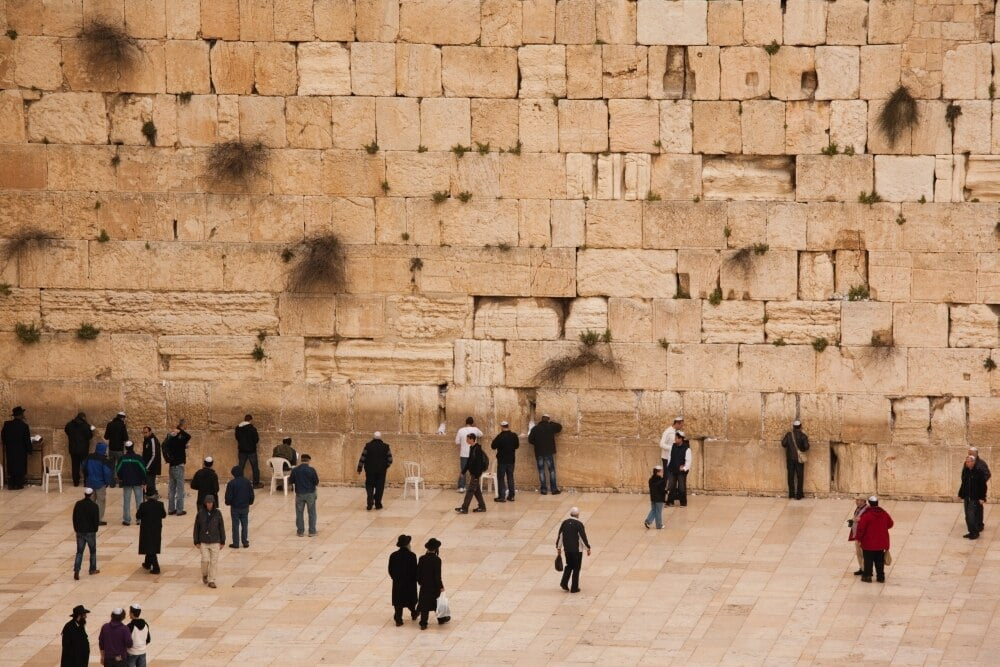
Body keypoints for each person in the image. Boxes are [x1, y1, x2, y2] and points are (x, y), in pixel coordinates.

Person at [855, 496, 894, 583]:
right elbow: (890, 524)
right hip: (881, 543)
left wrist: (858, 539)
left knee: (868, 560)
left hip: (868, 543)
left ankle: (867, 576)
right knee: (879, 561)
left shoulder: (866, 515)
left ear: (869, 503)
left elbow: (861, 529)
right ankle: (881, 577)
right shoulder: (884, 513)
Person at [193, 494, 225, 588]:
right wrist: (196, 541)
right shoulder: (200, 513)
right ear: (205, 503)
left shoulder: (218, 513)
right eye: (208, 503)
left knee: (214, 561)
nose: (209, 504)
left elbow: (221, 527)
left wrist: (222, 541)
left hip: (215, 540)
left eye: (211, 503)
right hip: (204, 541)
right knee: (205, 560)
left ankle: (211, 580)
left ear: (213, 503)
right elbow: (196, 528)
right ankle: (205, 574)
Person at [556, 507, 591, 593]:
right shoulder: (579, 524)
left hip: (567, 549)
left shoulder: (565, 523)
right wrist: (588, 548)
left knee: (569, 565)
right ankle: (574, 588)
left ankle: (564, 583)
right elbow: (582, 537)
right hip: (577, 551)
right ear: (578, 514)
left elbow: (560, 536)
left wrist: (559, 547)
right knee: (576, 568)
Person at [162, 420, 191, 516]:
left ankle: (171, 509)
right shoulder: (180, 435)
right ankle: (179, 510)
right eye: (186, 425)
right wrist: (180, 430)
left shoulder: (172, 436)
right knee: (180, 488)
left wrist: (184, 446)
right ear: (184, 425)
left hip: (172, 465)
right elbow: (188, 436)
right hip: (179, 465)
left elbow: (174, 446)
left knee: (172, 488)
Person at [388, 534, 418, 627]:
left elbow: (390, 569)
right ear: (408, 544)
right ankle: (414, 613)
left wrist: (395, 578)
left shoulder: (393, 555)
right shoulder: (412, 555)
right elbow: (415, 570)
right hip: (410, 583)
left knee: (398, 602)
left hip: (398, 583)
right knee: (411, 600)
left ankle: (398, 620)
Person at [357, 431, 392, 511]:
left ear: (373, 437)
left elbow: (363, 457)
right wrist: (385, 466)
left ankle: (370, 500)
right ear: (380, 437)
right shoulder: (386, 447)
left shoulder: (368, 446)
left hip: (370, 471)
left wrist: (359, 468)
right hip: (381, 472)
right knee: (380, 487)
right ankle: (378, 504)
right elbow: (390, 459)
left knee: (369, 485)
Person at [2, 406, 35, 489]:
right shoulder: (24, 426)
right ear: (20, 415)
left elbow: (3, 437)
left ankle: (11, 484)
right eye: (22, 414)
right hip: (21, 451)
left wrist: (7, 445)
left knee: (12, 466)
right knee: (20, 467)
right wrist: (30, 450)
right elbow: (27, 440)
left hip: (10, 450)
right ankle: (18, 484)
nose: (23, 415)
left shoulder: (7, 424)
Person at [455, 433, 489, 514]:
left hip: (476, 474)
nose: (466, 440)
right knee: (477, 492)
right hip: (474, 473)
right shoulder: (472, 448)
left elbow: (479, 464)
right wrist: (463, 472)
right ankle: (482, 507)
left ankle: (464, 508)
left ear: (472, 439)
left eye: (467, 439)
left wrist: (477, 476)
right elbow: (469, 462)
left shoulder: (477, 449)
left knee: (470, 491)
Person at [416, 538, 445, 630]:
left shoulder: (422, 559)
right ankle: (441, 619)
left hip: (424, 586)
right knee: (437, 603)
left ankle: (423, 623)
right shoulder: (437, 560)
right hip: (434, 586)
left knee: (424, 604)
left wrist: (420, 582)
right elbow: (437, 576)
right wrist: (440, 586)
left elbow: (418, 573)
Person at [529, 413, 562, 495]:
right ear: (548, 419)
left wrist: (537, 443)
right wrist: (551, 423)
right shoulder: (551, 426)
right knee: (552, 470)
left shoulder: (535, 428)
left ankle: (544, 489)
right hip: (548, 452)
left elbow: (530, 440)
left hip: (539, 452)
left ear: (541, 419)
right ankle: (554, 489)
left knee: (541, 471)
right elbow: (559, 427)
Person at [72, 488, 101, 580]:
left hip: (80, 531)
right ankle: (92, 569)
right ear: (92, 495)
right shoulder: (94, 506)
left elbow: (74, 518)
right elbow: (96, 520)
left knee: (79, 552)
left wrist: (76, 528)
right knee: (92, 551)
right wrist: (95, 529)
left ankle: (77, 570)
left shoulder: (78, 504)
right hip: (90, 532)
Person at [116, 442, 147, 526]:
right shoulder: (138, 458)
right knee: (139, 501)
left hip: (126, 482)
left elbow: (118, 470)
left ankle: (127, 520)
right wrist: (144, 481)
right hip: (137, 482)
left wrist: (121, 478)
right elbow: (143, 470)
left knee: (126, 501)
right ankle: (139, 519)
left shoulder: (122, 458)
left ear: (126, 448)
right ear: (133, 447)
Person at [83, 443, 114, 525]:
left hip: (90, 482)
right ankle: (98, 519)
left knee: (90, 501)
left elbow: (83, 467)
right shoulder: (104, 460)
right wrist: (107, 482)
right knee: (101, 502)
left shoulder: (89, 457)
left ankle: (89, 518)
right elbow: (107, 472)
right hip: (100, 483)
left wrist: (87, 477)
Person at [224, 465, 255, 548]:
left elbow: (228, 496)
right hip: (245, 507)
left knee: (235, 525)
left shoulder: (231, 483)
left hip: (235, 508)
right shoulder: (247, 482)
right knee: (245, 525)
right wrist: (250, 502)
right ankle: (245, 542)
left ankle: (236, 543)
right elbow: (251, 494)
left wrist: (228, 503)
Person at [289, 454, 319, 537]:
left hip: (299, 494)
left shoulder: (295, 470)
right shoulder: (312, 470)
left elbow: (291, 481)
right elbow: (316, 482)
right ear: (309, 461)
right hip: (310, 494)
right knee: (312, 513)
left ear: (301, 460)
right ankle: (312, 531)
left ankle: (300, 531)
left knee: (299, 513)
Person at [959, 455, 988, 540]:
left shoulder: (979, 472)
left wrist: (982, 498)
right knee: (967, 516)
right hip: (967, 497)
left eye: (968, 461)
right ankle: (971, 532)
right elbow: (963, 483)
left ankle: (975, 533)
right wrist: (961, 494)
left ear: (973, 462)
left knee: (971, 516)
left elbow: (983, 486)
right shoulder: (966, 471)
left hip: (975, 498)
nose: (967, 463)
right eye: (966, 461)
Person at [136, 489, 165, 574]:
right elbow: (163, 515)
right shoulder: (160, 504)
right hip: (156, 529)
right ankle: (147, 563)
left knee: (150, 547)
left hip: (146, 530)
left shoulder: (143, 505)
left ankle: (156, 568)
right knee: (151, 546)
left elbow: (138, 515)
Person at [491, 420, 519, 502]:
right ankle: (511, 496)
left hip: (502, 460)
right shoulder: (514, 435)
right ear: (508, 426)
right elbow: (517, 446)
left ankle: (502, 497)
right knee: (510, 477)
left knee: (501, 478)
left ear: (502, 427)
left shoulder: (500, 436)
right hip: (511, 460)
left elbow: (493, 446)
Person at [64, 412, 95, 487]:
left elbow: (66, 430)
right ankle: (86, 482)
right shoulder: (85, 426)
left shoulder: (70, 424)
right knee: (84, 465)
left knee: (75, 466)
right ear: (83, 417)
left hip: (73, 449)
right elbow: (89, 436)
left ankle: (75, 482)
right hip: (83, 449)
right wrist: (92, 430)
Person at [781, 420, 809, 500]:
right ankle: (799, 495)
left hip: (790, 459)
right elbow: (807, 447)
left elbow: (783, 444)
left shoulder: (789, 435)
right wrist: (802, 449)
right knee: (800, 476)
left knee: (790, 476)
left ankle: (791, 494)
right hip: (799, 459)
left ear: (793, 427)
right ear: (800, 426)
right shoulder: (803, 436)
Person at [454, 416, 483, 492]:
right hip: (473, 454)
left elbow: (457, 442)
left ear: (465, 422)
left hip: (463, 453)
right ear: (472, 423)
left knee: (463, 470)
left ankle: (461, 487)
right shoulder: (475, 429)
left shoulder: (461, 430)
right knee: (474, 471)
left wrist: (463, 442)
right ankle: (474, 487)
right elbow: (481, 434)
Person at [235, 414, 263, 489]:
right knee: (255, 467)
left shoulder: (238, 428)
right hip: (251, 451)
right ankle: (255, 484)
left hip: (242, 451)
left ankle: (239, 483)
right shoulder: (252, 429)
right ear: (250, 420)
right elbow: (256, 440)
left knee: (240, 467)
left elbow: (237, 438)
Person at [665, 431, 692, 507]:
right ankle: (670, 502)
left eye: (676, 438)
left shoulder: (687, 449)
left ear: (680, 439)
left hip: (681, 472)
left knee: (681, 487)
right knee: (671, 486)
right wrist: (668, 466)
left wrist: (684, 468)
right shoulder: (673, 446)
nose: (675, 440)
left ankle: (683, 502)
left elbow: (688, 461)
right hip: (672, 470)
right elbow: (670, 457)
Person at [969, 446, 991, 532]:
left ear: (976, 454)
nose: (969, 454)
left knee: (978, 508)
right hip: (970, 490)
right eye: (969, 453)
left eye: (971, 453)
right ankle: (972, 524)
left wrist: (979, 482)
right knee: (970, 509)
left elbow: (987, 474)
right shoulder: (968, 462)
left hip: (978, 490)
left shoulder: (981, 463)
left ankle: (979, 524)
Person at [847, 497, 868, 575]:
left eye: (859, 500)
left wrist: (859, 520)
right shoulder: (858, 509)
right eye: (856, 500)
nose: (857, 502)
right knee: (859, 553)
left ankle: (866, 569)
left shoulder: (866, 510)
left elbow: (865, 521)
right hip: (857, 534)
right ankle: (861, 568)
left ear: (863, 501)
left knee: (863, 553)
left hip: (862, 536)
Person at [140, 426, 160, 495]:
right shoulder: (146, 440)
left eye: (146, 432)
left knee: (150, 482)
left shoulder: (153, 440)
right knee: (148, 482)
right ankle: (151, 494)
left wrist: (147, 467)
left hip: (151, 466)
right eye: (144, 432)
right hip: (146, 466)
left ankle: (152, 495)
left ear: (150, 432)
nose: (145, 434)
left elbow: (154, 455)